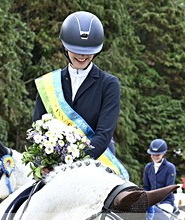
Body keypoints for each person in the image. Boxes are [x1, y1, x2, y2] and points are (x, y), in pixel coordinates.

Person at [32, 11, 128, 178]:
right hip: (52, 169)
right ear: (65, 47)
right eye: (75, 49)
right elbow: (37, 128)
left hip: (97, 163)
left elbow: (104, 134)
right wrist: (45, 162)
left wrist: (73, 165)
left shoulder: (109, 84)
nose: (82, 55)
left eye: (88, 51)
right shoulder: (49, 84)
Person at [143, 138, 177, 213]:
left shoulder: (170, 167)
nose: (155, 157)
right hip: (151, 202)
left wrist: (156, 203)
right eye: (153, 154)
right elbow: (146, 187)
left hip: (165, 202)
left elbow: (168, 189)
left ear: (163, 154)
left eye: (157, 155)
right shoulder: (148, 167)